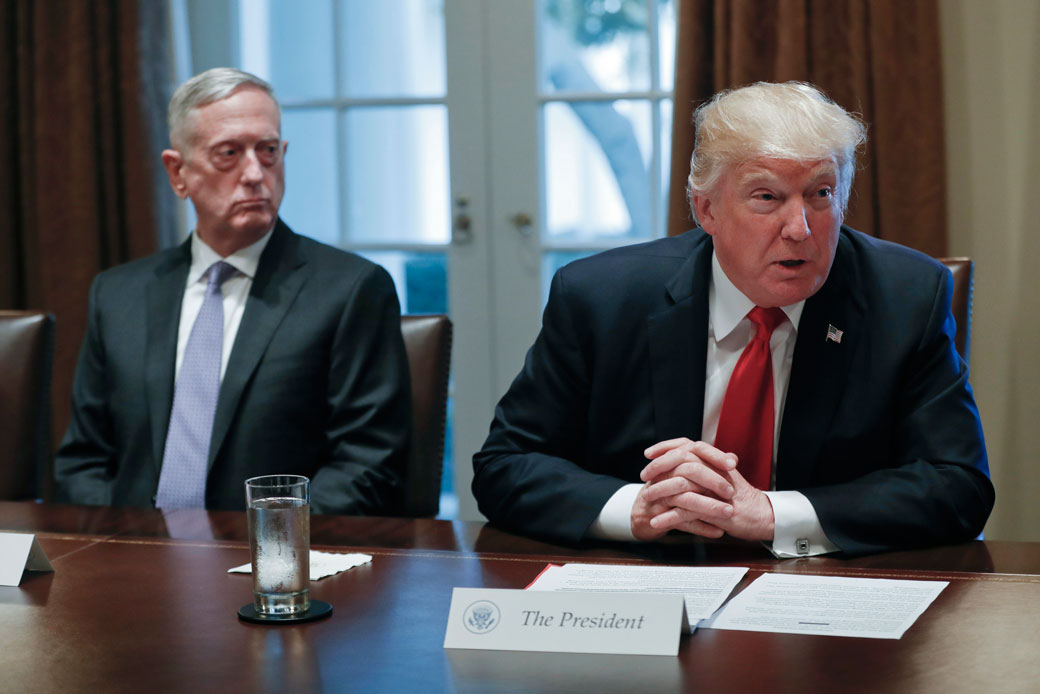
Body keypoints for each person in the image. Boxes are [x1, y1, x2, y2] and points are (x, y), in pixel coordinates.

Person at [472, 81, 994, 557]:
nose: (799, 228)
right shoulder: (601, 298)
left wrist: (769, 513)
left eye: (821, 193)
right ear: (707, 210)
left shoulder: (905, 296)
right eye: (766, 196)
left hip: (825, 595)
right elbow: (507, 465)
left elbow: (957, 486)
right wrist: (638, 507)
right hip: (647, 592)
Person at [54, 68, 410, 515]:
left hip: (275, 564)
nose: (254, 174)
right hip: (132, 557)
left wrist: (265, 550)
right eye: (229, 153)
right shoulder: (118, 294)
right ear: (177, 172)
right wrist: (117, 545)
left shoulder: (349, 290)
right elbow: (83, 462)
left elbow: (369, 463)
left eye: (268, 151)